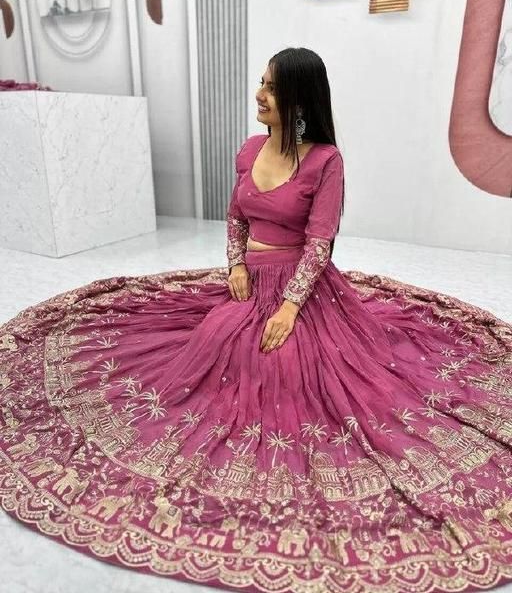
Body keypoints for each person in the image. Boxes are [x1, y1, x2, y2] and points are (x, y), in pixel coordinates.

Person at [0, 47, 511, 593]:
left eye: (271, 87)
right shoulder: (250, 149)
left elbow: (319, 244)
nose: (259, 95)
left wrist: (290, 306)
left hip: (302, 287)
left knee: (283, 367)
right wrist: (236, 266)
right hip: (252, 277)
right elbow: (235, 216)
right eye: (261, 82)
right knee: (212, 342)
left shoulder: (325, 162)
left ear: (299, 100)